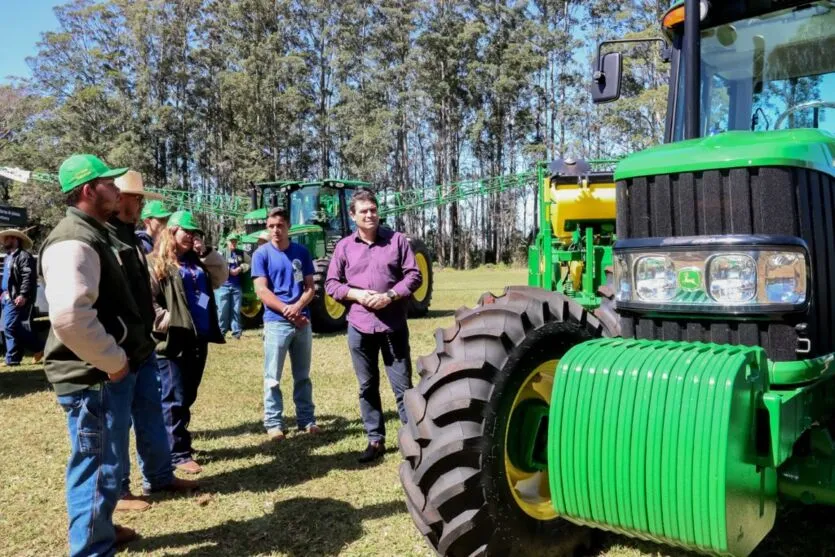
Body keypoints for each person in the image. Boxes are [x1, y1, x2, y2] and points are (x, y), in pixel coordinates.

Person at [39, 153, 149, 554]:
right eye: (109, 184)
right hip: (93, 378)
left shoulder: (92, 232)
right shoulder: (75, 239)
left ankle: (99, 528)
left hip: (98, 375)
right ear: (89, 191)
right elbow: (69, 317)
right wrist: (113, 360)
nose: (117, 191)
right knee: (96, 466)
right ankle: (90, 547)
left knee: (106, 461)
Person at [110, 170, 197, 512]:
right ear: (118, 199)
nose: (141, 202)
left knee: (150, 414)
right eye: (136, 197)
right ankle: (118, 491)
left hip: (142, 344)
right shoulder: (104, 237)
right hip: (117, 347)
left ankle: (159, 476)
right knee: (116, 423)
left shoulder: (129, 237)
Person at [325, 189, 421, 463]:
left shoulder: (397, 241)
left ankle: (412, 441)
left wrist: (390, 295)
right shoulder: (344, 247)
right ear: (353, 216)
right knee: (367, 386)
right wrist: (357, 294)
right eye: (363, 211)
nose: (370, 214)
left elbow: (414, 275)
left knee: (402, 387)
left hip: (393, 326)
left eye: (373, 209)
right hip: (359, 326)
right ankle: (375, 440)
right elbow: (332, 284)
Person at [149, 210, 227, 474]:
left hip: (197, 338)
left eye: (195, 233)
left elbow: (221, 276)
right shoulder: (156, 262)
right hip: (172, 341)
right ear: (172, 232)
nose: (191, 237)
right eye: (187, 232)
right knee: (174, 397)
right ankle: (177, 454)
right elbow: (148, 300)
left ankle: (171, 442)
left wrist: (205, 251)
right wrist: (165, 319)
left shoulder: (197, 262)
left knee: (188, 394)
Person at [251, 208, 319, 441]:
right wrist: (288, 311)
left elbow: (310, 287)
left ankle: (307, 420)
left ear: (288, 226)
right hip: (276, 323)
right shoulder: (261, 254)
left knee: (303, 375)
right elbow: (261, 290)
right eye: (270, 226)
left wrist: (298, 305)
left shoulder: (301, 252)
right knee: (272, 377)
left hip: (302, 321)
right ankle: (274, 423)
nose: (275, 230)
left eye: (279, 225)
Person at [0, 228, 44, 365]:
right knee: (13, 326)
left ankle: (38, 347)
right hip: (6, 298)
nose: (5, 241)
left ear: (15, 239)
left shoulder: (24, 256)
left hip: (16, 298)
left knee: (9, 326)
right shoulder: (9, 257)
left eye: (7, 239)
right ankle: (14, 358)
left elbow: (28, 277)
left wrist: (23, 294)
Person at [215, 232, 250, 340]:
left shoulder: (241, 253)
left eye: (235, 241)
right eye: (231, 241)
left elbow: (250, 262)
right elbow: (216, 264)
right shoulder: (221, 253)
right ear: (227, 242)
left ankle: (236, 333)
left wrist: (241, 267)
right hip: (222, 286)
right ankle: (221, 332)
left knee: (236, 310)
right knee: (222, 310)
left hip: (236, 286)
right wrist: (229, 270)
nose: (233, 243)